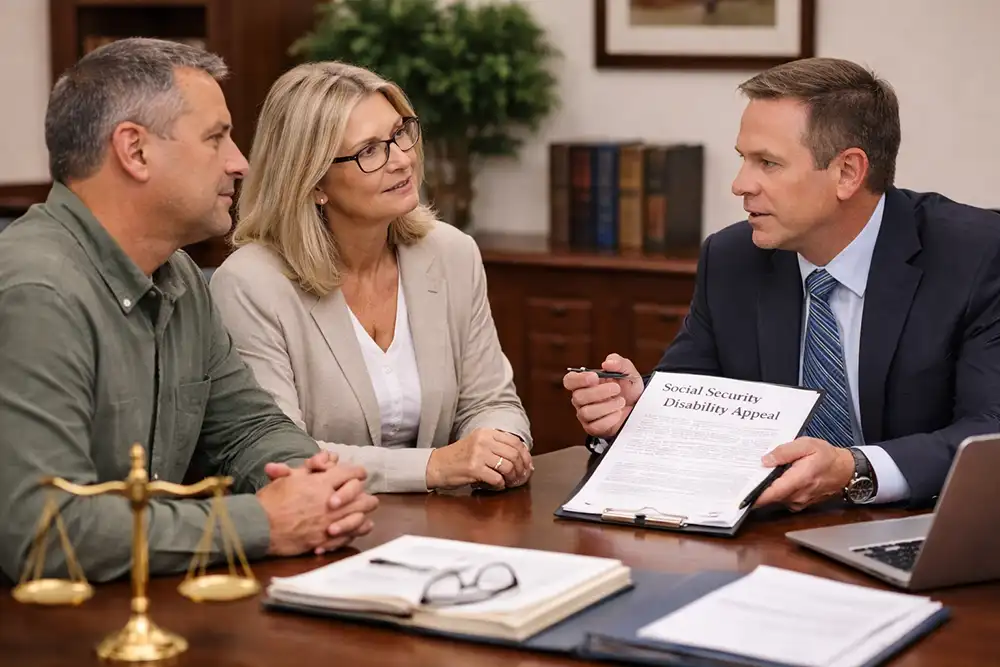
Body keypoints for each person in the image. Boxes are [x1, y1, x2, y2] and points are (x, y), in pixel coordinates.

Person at [0, 38, 379, 584]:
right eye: (215, 137)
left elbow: (248, 428)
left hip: (147, 601)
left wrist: (317, 486)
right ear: (135, 151)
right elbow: (45, 532)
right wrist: (264, 523)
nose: (239, 163)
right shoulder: (37, 292)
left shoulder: (178, 275)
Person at [564, 57, 1000, 512]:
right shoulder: (733, 259)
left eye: (768, 163)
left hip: (925, 525)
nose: (739, 185)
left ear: (848, 172)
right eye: (743, 159)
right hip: (770, 529)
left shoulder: (975, 256)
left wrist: (856, 468)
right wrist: (639, 413)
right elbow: (691, 393)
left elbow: (990, 432)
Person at [209, 61, 532, 495]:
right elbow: (279, 455)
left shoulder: (451, 253)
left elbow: (492, 401)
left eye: (400, 133)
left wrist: (500, 447)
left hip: (444, 522)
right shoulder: (250, 284)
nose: (402, 160)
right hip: (320, 523)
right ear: (314, 182)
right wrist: (434, 466)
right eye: (369, 151)